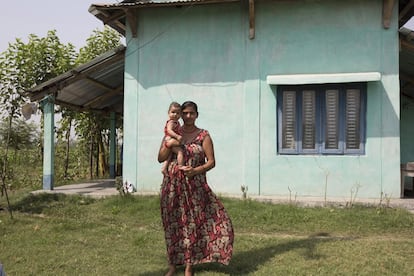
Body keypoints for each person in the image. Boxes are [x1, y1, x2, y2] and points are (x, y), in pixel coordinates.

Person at [158, 101, 234, 276]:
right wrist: (167, 144)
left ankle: (189, 265)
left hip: (195, 187)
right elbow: (160, 158)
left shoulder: (203, 136)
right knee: (172, 225)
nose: (188, 116)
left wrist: (195, 171)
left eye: (191, 113)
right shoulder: (174, 132)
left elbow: (211, 161)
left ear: (197, 115)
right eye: (185, 113)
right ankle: (172, 265)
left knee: (192, 225)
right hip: (172, 187)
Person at [161, 102, 184, 175]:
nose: (175, 114)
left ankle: (164, 168)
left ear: (180, 115)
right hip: (170, 139)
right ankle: (181, 166)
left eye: (177, 113)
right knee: (180, 152)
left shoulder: (176, 122)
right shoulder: (171, 122)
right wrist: (177, 136)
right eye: (173, 112)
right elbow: (169, 130)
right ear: (168, 113)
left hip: (171, 139)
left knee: (170, 154)